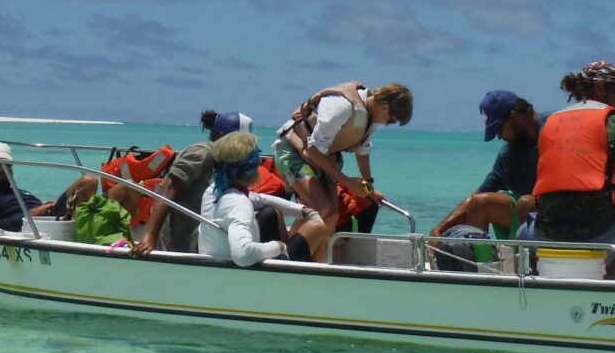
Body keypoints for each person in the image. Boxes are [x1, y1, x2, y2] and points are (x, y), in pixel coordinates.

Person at [518, 61, 615, 246]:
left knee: (522, 233)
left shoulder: (548, 125)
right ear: (600, 88)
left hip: (546, 234)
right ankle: (610, 273)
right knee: (613, 234)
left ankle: (530, 271)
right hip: (598, 235)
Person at [273, 81, 413, 262]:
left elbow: (362, 150)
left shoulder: (369, 117)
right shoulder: (342, 106)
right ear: (386, 108)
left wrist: (368, 188)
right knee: (322, 209)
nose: (388, 124)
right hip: (293, 151)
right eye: (391, 120)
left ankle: (310, 261)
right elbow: (314, 148)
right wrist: (347, 181)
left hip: (322, 160)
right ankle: (286, 257)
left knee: (332, 216)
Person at [131, 110, 253, 255]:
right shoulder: (202, 153)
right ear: (222, 137)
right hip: (181, 244)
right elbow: (168, 189)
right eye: (242, 141)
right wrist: (150, 236)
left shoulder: (230, 163)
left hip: (207, 242)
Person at [430, 91, 545, 240]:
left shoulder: (553, 129)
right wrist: (440, 230)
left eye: (498, 130)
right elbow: (481, 192)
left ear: (513, 118)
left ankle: (524, 260)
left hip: (557, 209)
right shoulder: (509, 153)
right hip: (524, 214)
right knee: (479, 203)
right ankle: (483, 262)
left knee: (526, 204)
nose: (500, 137)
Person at [198, 132, 320, 266]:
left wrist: (301, 210)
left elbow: (261, 199)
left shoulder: (213, 191)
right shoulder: (239, 204)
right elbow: (243, 254)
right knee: (318, 228)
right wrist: (278, 246)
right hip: (238, 274)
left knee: (269, 211)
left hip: (212, 264)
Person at [0, 141, 96, 232]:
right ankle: (88, 236)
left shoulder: (22, 192)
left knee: (96, 184)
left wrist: (43, 206)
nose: (3, 169)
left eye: (7, 164)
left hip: (49, 217)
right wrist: (34, 213)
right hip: (35, 227)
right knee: (87, 182)